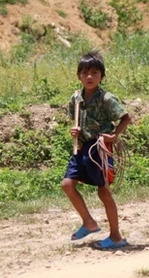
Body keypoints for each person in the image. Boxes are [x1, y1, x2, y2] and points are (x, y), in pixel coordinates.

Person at [62, 51, 131, 250]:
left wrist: (114, 135)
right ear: (79, 76)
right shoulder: (76, 98)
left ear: (102, 75)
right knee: (67, 184)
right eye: (84, 73)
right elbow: (75, 122)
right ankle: (89, 223)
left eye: (94, 72)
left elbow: (125, 118)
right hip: (82, 148)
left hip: (100, 149)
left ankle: (116, 237)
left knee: (104, 192)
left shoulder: (107, 98)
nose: (89, 77)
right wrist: (75, 130)